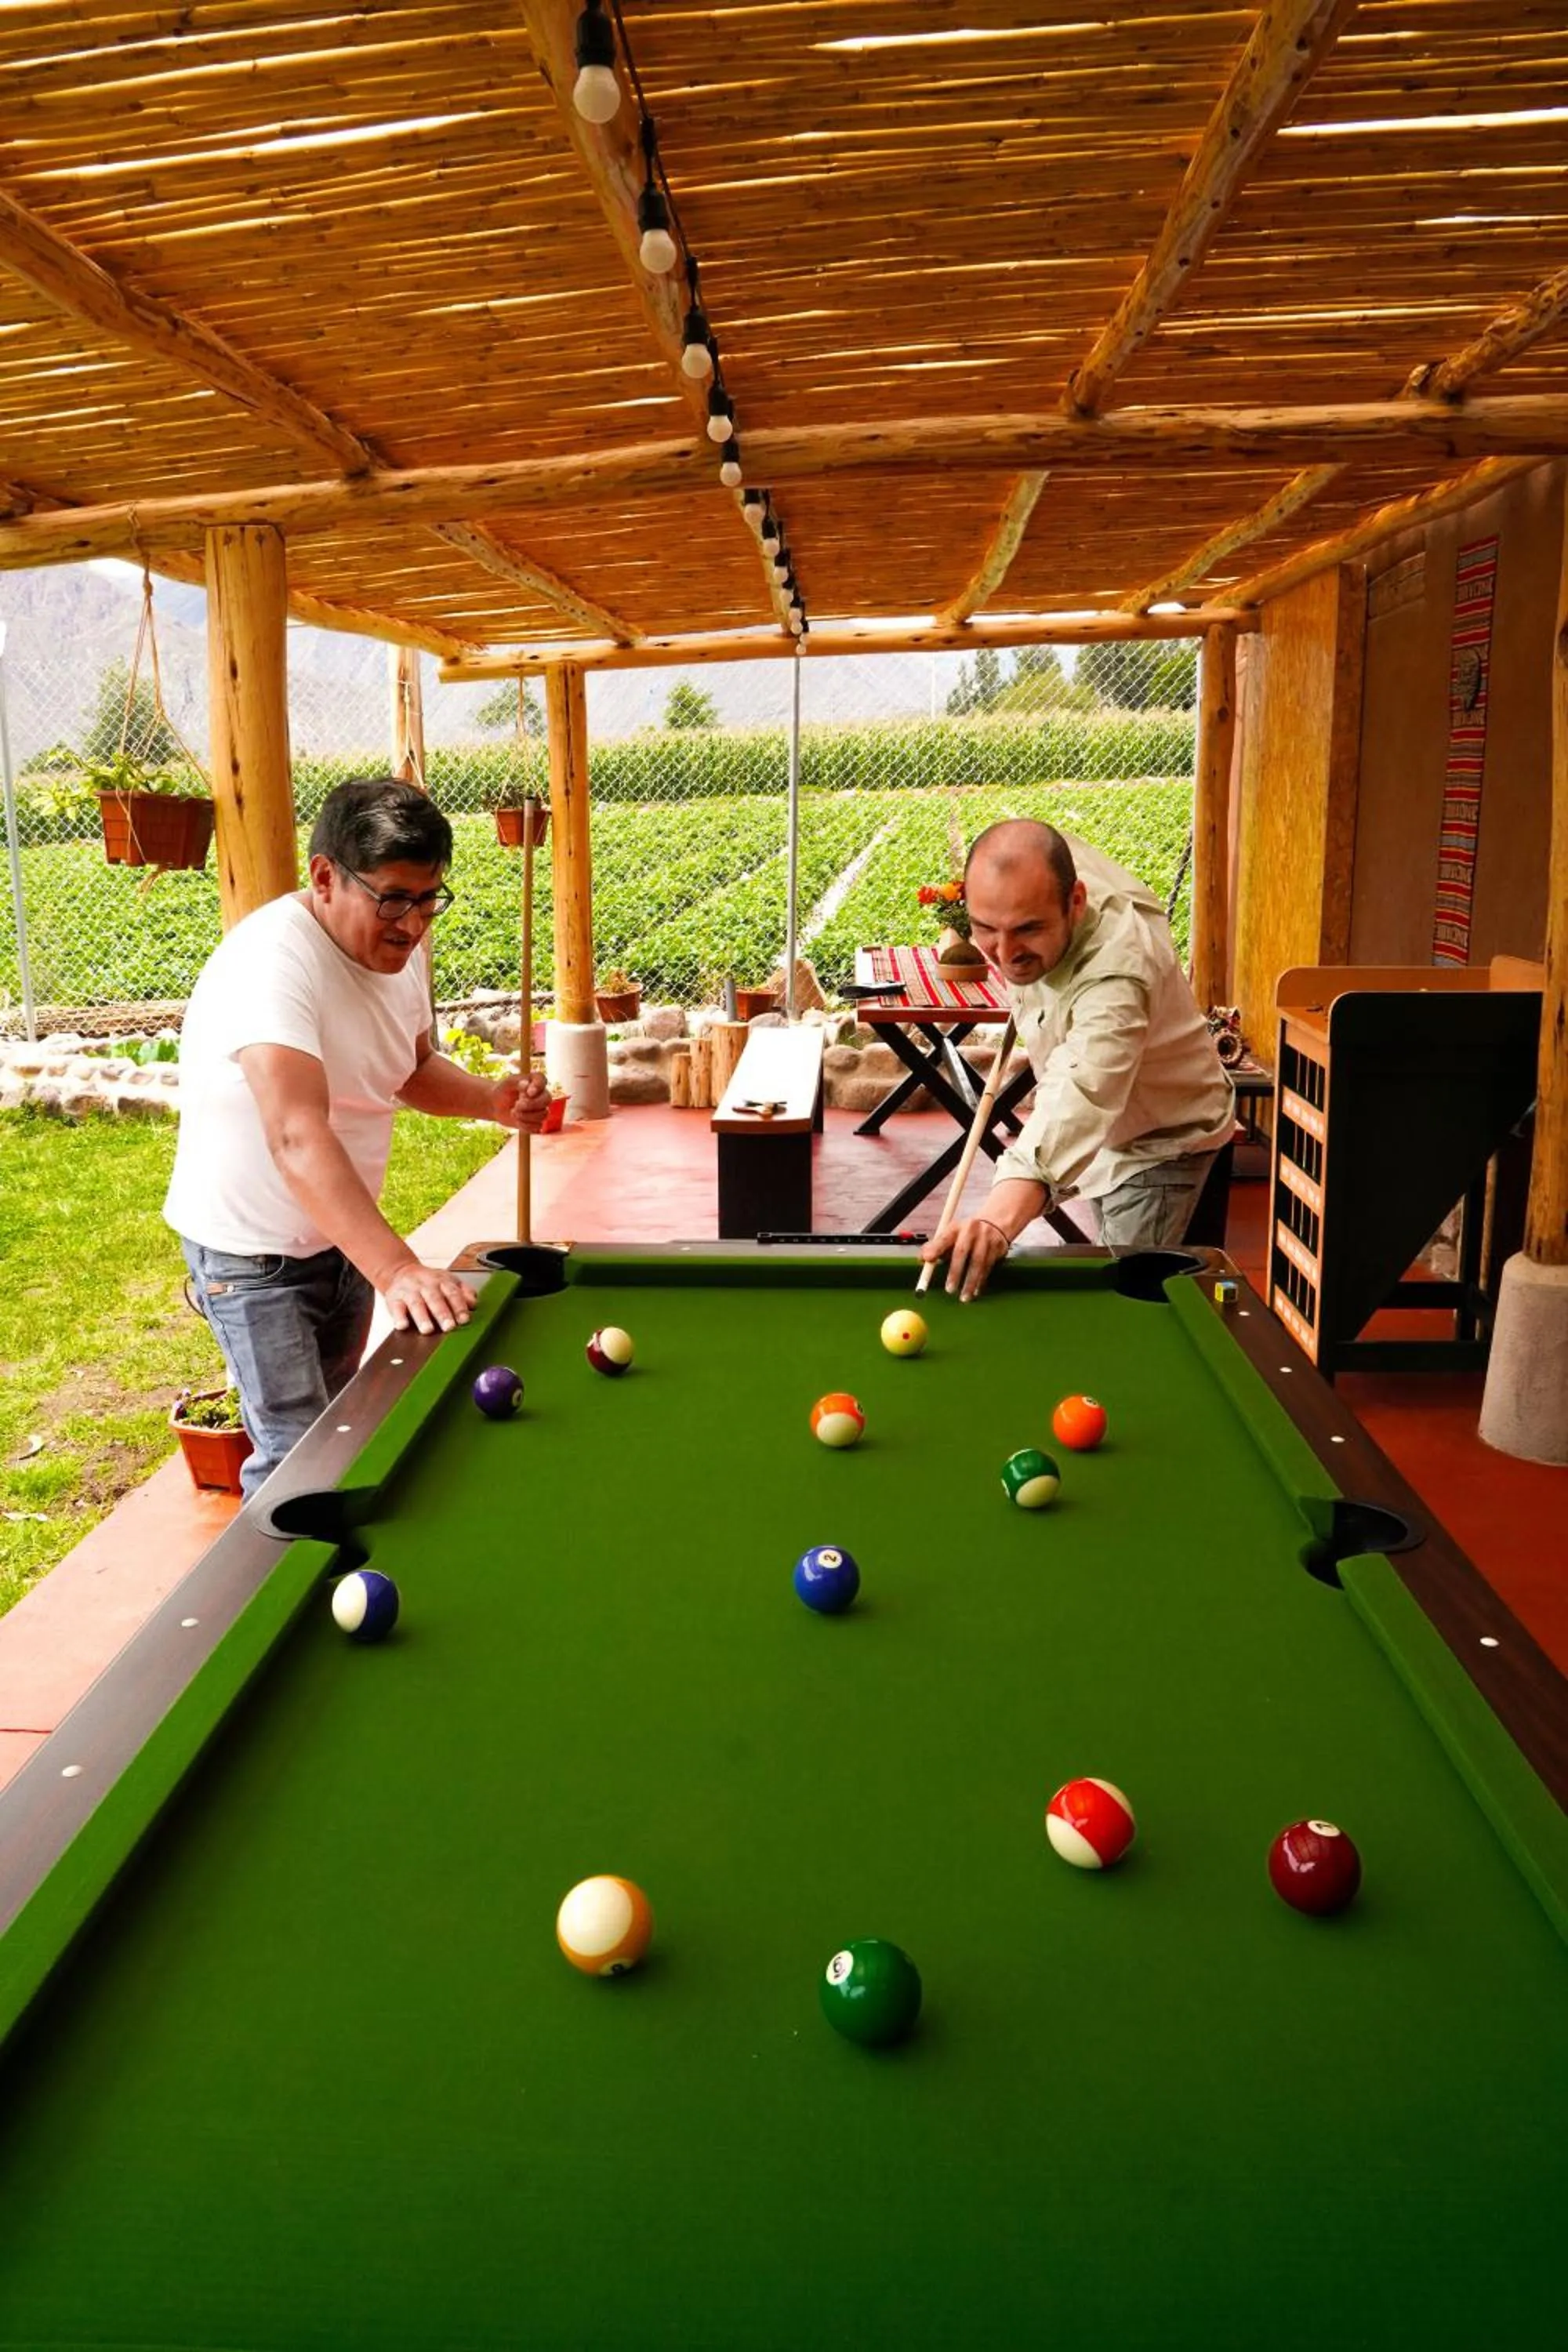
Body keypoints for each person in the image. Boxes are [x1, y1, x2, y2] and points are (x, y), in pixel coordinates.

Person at [165, 775, 550, 1496]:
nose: (412, 923)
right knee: (297, 1454)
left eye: (429, 897)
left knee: (339, 1430)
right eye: (394, 899)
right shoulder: (270, 963)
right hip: (251, 1252)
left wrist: (491, 1101)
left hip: (340, 1238)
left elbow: (408, 1066)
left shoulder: (397, 952)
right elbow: (296, 1135)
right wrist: (397, 1269)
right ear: (323, 878)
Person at [922, 819, 1234, 1301]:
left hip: (1162, 1144)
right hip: (1110, 1136)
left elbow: (1080, 1095)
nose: (1004, 955)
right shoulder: (1047, 867)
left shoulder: (1118, 976)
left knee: (1132, 1316)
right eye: (986, 928)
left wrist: (996, 1219)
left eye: (1028, 929)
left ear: (1076, 902)